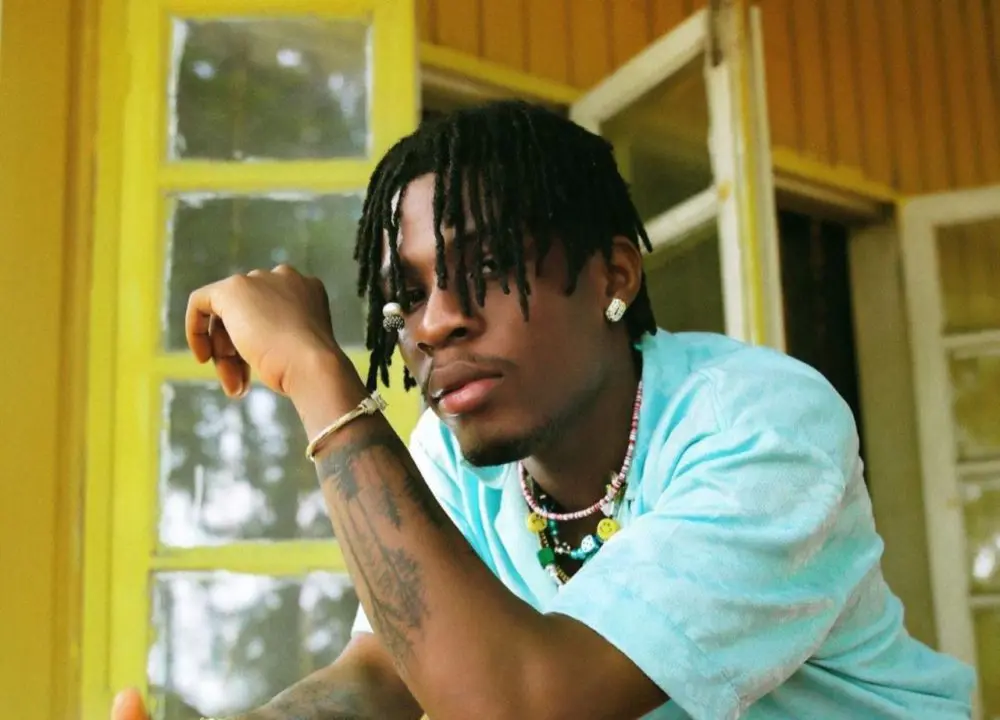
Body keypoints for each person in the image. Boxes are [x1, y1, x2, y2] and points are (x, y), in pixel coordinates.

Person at [112, 101, 974, 720]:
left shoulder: (761, 422)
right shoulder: (455, 457)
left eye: (487, 267)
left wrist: (317, 374)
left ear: (614, 276)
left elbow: (521, 704)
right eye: (407, 296)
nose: (434, 323)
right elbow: (383, 673)